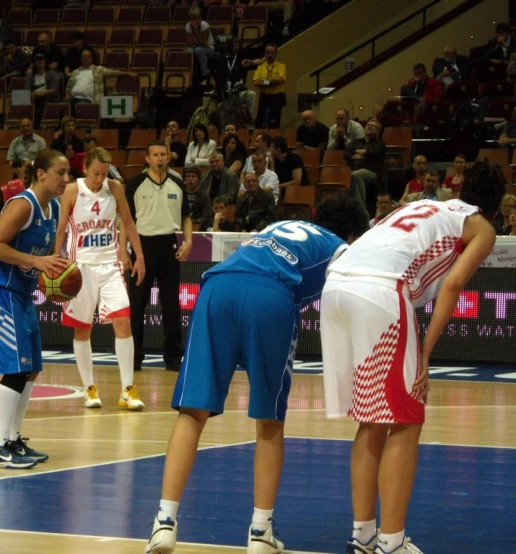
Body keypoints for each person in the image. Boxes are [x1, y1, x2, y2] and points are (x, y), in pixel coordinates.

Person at [144, 194, 371, 554]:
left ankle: (164, 522)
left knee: (192, 411)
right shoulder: (342, 247)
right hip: (270, 296)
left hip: (217, 287)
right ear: (353, 234)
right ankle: (260, 531)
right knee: (269, 419)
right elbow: (349, 301)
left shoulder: (276, 226)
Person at [320, 161, 505, 554]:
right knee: (406, 418)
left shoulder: (427, 205)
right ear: (497, 206)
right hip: (381, 290)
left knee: (372, 419)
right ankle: (392, 542)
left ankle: (364, 535)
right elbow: (453, 285)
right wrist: (425, 352)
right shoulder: (483, 228)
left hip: (336, 285)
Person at [0, 149, 70, 468]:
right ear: (41, 174)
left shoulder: (54, 207)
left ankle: (14, 440)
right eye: (61, 172)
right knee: (15, 369)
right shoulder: (22, 204)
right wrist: (36, 261)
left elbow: (42, 261)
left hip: (22, 294)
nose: (66, 179)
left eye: (68, 173)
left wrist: (53, 279)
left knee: (30, 370)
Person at [54, 147, 147, 409]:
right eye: (95, 173)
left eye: (104, 174)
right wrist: (54, 260)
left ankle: (128, 389)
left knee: (123, 322)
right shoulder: (73, 191)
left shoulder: (115, 188)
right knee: (83, 329)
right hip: (80, 267)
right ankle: (89, 389)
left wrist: (139, 256)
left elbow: (128, 223)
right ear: (85, 169)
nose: (99, 179)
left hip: (110, 264)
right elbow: (61, 229)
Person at [124, 141, 192, 372]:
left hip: (169, 245)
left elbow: (186, 217)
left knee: (171, 304)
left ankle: (173, 357)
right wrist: (124, 251)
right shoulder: (135, 184)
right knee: (137, 304)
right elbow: (126, 220)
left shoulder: (178, 184)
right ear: (147, 159)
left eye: (163, 154)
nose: (160, 158)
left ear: (168, 157)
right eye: (155, 155)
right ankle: (133, 358)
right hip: (141, 247)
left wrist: (188, 241)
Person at [344, 119, 386, 216]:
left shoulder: (380, 143)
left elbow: (374, 152)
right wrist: (364, 153)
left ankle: (361, 212)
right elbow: (346, 154)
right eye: (368, 125)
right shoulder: (356, 142)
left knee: (356, 175)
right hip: (353, 171)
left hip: (372, 174)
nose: (370, 126)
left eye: (373, 126)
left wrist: (363, 153)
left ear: (378, 131)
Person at [253, 44, 286, 129]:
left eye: (272, 53)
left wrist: (263, 82)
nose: (270, 55)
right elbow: (256, 83)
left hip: (276, 97)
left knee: (274, 123)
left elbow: (279, 80)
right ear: (265, 53)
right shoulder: (260, 67)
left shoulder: (281, 66)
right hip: (264, 96)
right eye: (268, 53)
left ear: (276, 54)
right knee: (260, 121)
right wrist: (271, 82)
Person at [26, 53, 61, 129]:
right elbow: (26, 91)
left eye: (41, 59)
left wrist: (38, 94)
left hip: (49, 97)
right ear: (34, 63)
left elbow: (54, 90)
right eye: (37, 60)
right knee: (16, 98)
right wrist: (31, 95)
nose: (39, 61)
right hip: (34, 97)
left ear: (45, 61)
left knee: (44, 101)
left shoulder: (52, 73)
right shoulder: (31, 76)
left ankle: (38, 127)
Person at [185, 7, 214, 84]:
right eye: (191, 19)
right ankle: (190, 76)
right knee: (189, 50)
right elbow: (190, 44)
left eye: (195, 19)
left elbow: (203, 44)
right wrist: (192, 31)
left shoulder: (205, 25)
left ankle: (206, 75)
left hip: (209, 48)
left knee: (199, 50)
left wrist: (196, 32)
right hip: (195, 47)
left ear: (200, 18)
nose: (193, 21)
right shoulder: (188, 26)